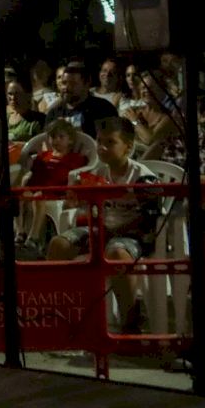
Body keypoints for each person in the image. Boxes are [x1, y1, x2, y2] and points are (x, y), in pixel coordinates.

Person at [47, 117, 160, 333]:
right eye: (99, 141)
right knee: (58, 245)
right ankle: (63, 312)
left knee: (116, 253)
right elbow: (84, 209)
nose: (102, 147)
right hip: (102, 229)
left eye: (110, 142)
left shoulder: (143, 178)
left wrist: (114, 231)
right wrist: (76, 199)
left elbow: (150, 220)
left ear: (128, 146)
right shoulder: (97, 174)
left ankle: (131, 319)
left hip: (133, 236)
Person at [18, 119, 88, 258]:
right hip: (39, 190)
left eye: (61, 137)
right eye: (53, 137)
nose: (56, 140)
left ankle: (33, 238)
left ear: (70, 140)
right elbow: (35, 176)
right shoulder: (43, 156)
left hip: (58, 193)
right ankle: (20, 233)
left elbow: (75, 176)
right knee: (17, 195)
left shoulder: (75, 158)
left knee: (38, 196)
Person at [46, 62, 118, 139]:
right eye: (64, 83)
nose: (66, 88)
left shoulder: (104, 109)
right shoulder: (54, 114)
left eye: (72, 83)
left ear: (87, 83)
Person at [6, 78, 45, 143]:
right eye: (10, 94)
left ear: (28, 95)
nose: (13, 98)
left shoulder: (37, 121)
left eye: (17, 94)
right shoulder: (4, 119)